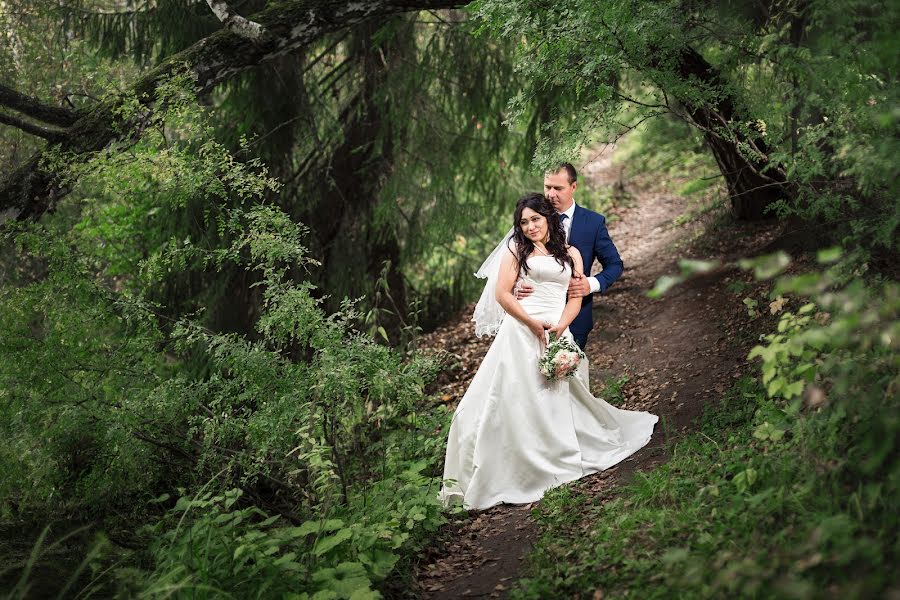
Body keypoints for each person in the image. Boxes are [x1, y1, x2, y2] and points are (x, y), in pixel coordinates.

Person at [439, 193, 657, 510]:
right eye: (524, 222)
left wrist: (560, 328)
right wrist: (532, 324)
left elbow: (574, 297)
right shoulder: (516, 251)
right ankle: (521, 464)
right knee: (517, 396)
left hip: (557, 329)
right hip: (523, 330)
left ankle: (561, 451)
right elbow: (503, 294)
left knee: (560, 394)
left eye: (535, 219)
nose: (530, 226)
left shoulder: (571, 254)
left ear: (548, 218)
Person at [516, 163, 623, 350]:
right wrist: (515, 286)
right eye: (547, 187)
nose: (551, 194)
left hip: (577, 318)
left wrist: (590, 284)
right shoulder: (531, 218)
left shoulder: (593, 222)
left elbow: (614, 264)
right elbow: (514, 260)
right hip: (532, 316)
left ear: (574, 187)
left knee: (566, 374)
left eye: (558, 188)